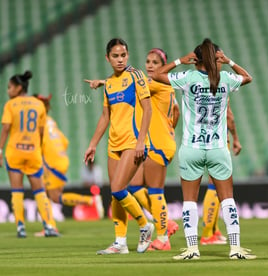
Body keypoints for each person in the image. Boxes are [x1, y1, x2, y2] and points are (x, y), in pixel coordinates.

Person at [152, 38, 256, 260]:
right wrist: (229, 61)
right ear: (215, 58)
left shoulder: (188, 78)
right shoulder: (225, 78)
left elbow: (156, 75)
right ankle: (235, 248)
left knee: (189, 201)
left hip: (191, 148)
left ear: (195, 59)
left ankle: (192, 249)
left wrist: (181, 60)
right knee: (227, 199)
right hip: (218, 147)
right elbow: (248, 77)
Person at [86, 48, 180, 252]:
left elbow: (138, 85)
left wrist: (102, 82)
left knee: (151, 190)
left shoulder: (155, 82)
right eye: (148, 61)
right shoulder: (136, 82)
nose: (150, 66)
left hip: (152, 142)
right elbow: (176, 111)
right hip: (137, 141)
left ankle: (161, 233)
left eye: (155, 63)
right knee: (132, 188)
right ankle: (127, 239)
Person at [84, 38, 154, 254]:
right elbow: (105, 116)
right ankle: (120, 242)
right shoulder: (110, 83)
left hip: (134, 142)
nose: (120, 59)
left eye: (123, 55)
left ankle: (145, 225)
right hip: (113, 144)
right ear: (108, 58)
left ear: (128, 55)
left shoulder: (137, 76)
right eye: (115, 56)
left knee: (117, 188)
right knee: (115, 194)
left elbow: (148, 109)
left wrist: (142, 140)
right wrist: (93, 144)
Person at [34, 94, 103, 236]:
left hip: (50, 162)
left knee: (53, 196)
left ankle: (90, 201)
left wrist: (44, 162)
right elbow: (64, 142)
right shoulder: (51, 122)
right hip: (60, 159)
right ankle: (48, 225)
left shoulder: (37, 123)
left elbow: (38, 144)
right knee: (47, 195)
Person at [0, 71, 59, 238]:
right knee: (39, 191)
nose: (8, 90)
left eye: (10, 87)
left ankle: (20, 226)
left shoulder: (10, 105)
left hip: (15, 151)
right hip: (33, 152)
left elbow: (5, 129)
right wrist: (37, 149)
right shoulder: (38, 104)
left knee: (17, 191)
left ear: (19, 88)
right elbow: (40, 133)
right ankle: (48, 225)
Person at [201, 102, 241, 245]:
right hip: (219, 139)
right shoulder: (222, 87)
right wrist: (236, 138)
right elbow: (229, 116)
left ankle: (213, 229)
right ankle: (206, 235)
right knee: (215, 185)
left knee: (215, 186)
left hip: (201, 137)